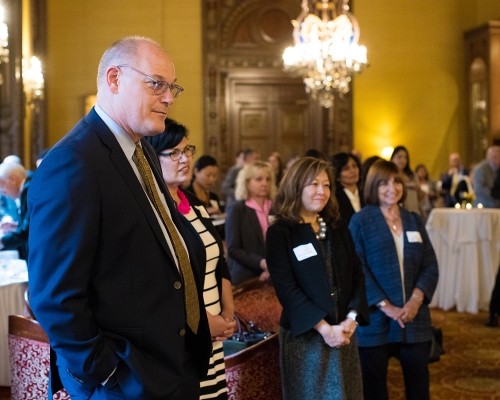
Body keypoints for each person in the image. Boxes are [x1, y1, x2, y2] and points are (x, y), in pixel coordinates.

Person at [27, 36, 212, 399]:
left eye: (171, 87)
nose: (169, 98)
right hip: (125, 380)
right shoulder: (72, 163)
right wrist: (108, 372)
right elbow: (54, 297)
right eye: (157, 84)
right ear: (114, 79)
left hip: (173, 365)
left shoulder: (141, 149)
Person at [145, 121, 236, 399]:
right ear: (151, 156)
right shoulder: (152, 210)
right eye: (173, 153)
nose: (185, 159)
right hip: (185, 330)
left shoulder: (196, 204)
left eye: (187, 150)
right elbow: (162, 280)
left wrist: (228, 316)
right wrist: (205, 322)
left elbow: (219, 262)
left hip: (215, 330)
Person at [266, 157, 369, 400]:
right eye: (314, 184)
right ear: (296, 187)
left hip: (343, 332)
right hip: (307, 337)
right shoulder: (280, 233)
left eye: (327, 185)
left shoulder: (337, 226)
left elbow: (357, 275)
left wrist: (351, 320)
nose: (322, 191)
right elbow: (287, 290)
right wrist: (325, 329)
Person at [349, 159, 439, 400]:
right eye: (384, 183)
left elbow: (430, 265)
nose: (393, 187)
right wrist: (386, 306)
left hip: (414, 317)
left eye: (397, 181)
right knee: (374, 387)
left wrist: (415, 301)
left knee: (419, 387)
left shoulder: (413, 219)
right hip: (375, 319)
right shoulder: (361, 221)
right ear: (372, 187)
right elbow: (357, 269)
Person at [225, 160, 276, 286]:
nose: (264, 183)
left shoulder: (276, 208)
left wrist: (272, 268)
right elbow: (233, 249)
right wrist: (262, 263)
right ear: (247, 183)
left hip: (275, 273)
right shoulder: (238, 209)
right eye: (259, 179)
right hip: (246, 274)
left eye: (268, 179)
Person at [0, 162, 31, 260]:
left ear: (13, 179)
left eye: (2, 186)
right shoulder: (27, 188)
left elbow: (28, 231)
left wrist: (2, 241)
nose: (3, 192)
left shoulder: (28, 190)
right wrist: (16, 226)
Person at [331, 152, 365, 224]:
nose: (352, 171)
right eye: (346, 169)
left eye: (354, 166)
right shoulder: (334, 198)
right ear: (337, 175)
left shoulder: (366, 194)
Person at [390, 146, 422, 215]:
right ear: (392, 158)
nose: (403, 160)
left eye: (405, 157)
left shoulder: (412, 175)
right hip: (399, 211)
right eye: (399, 157)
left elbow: (419, 196)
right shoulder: (389, 175)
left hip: (414, 209)